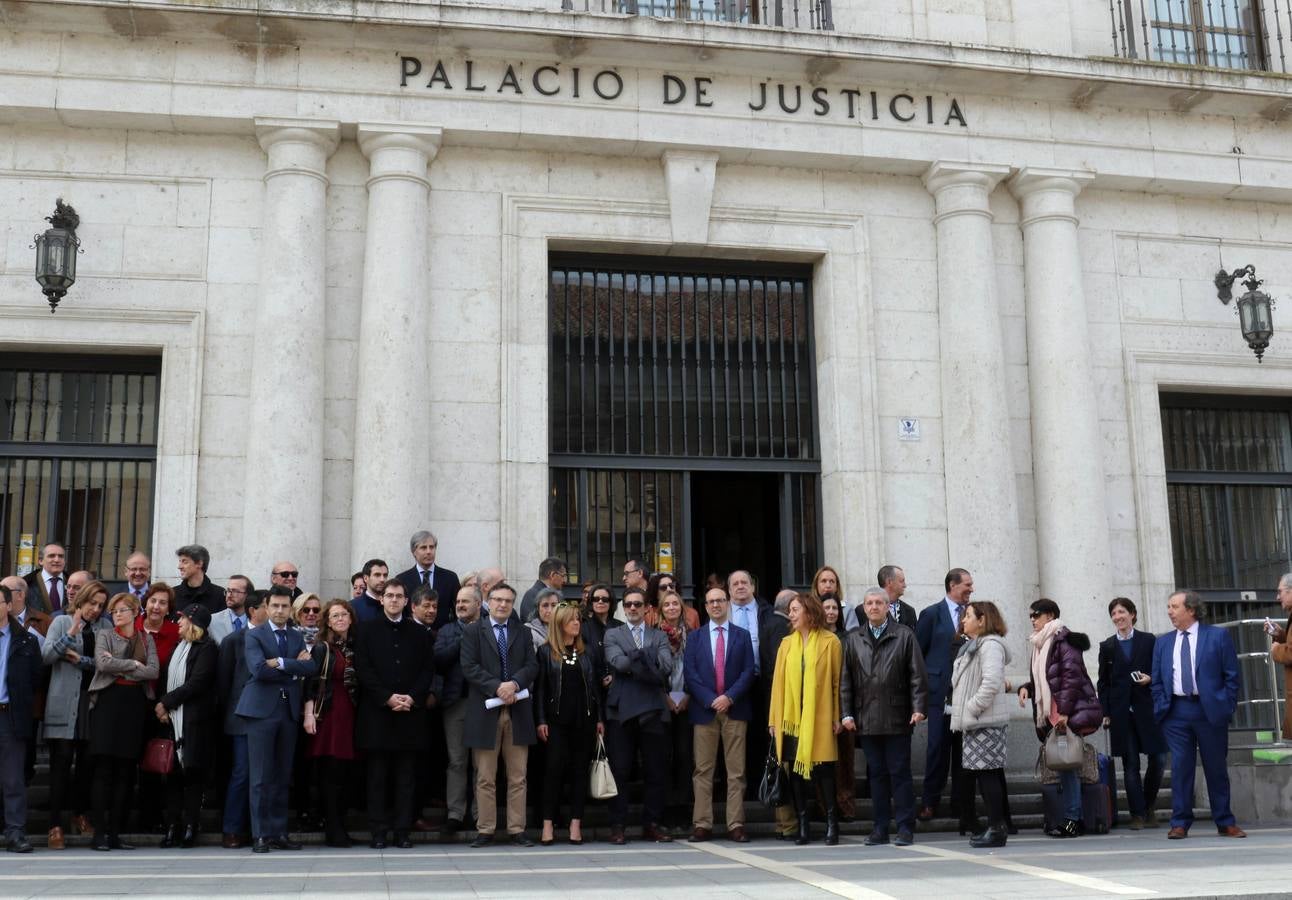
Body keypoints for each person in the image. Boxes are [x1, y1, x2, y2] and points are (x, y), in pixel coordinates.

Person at [1150, 589, 1245, 840]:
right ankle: (1180, 822)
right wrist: (1161, 705)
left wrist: (1226, 704)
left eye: (1174, 606)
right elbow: (1157, 680)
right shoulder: (1163, 642)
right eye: (1168, 607)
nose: (1169, 611)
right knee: (1181, 767)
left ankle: (1225, 821)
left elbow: (1232, 676)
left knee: (1215, 767)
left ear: (1190, 610)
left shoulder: (1217, 636)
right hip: (1176, 712)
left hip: (1209, 710)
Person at [841, 586, 927, 847]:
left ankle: (904, 827)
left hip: (897, 716)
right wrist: (846, 713)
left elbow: (917, 675)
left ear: (888, 606)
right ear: (864, 608)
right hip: (866, 717)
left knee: (900, 772)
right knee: (876, 775)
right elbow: (845, 680)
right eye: (869, 603)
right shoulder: (853, 638)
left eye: (879, 602)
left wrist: (918, 707)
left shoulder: (904, 635)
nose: (874, 607)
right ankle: (879, 827)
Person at [235, 585, 318, 853]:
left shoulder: (296, 636)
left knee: (283, 775)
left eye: (285, 606)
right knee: (260, 776)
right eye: (276, 606)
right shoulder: (255, 635)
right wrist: (293, 667)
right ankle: (260, 834)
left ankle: (279, 832)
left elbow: (310, 667)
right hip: (260, 711)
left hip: (289, 711)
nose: (280, 611)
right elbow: (259, 670)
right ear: (267, 607)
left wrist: (280, 663)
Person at [353, 580, 434, 848]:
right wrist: (387, 697)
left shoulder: (420, 633)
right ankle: (378, 831)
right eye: (389, 595)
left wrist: (412, 696)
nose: (394, 600)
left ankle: (402, 830)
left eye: (399, 596)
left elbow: (427, 670)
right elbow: (363, 669)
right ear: (382, 600)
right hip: (378, 714)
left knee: (406, 778)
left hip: (410, 715)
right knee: (377, 778)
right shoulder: (366, 630)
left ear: (406, 601)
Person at [461, 583, 539, 847]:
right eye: (497, 600)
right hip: (485, 712)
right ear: (488, 601)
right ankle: (486, 829)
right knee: (485, 775)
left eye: (508, 600)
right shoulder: (473, 631)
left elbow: (532, 665)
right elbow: (469, 667)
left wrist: (514, 684)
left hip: (518, 710)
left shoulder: (523, 632)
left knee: (518, 775)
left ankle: (517, 829)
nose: (503, 604)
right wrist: (497, 686)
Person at [1018, 598, 1102, 838]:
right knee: (1065, 767)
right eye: (1031, 616)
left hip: (1066, 712)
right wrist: (1027, 688)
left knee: (1068, 767)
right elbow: (1045, 679)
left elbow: (1071, 679)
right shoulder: (1041, 643)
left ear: (1051, 615)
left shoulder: (1063, 641)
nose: (1033, 619)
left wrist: (1064, 713)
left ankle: (1073, 819)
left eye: (1037, 614)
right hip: (1054, 712)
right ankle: (1070, 817)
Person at [768, 592, 843, 845]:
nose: (791, 614)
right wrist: (773, 720)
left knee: (824, 772)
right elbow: (777, 685)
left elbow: (836, 684)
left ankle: (832, 824)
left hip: (819, 717)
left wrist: (837, 716)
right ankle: (803, 825)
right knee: (796, 775)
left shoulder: (830, 642)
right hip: (791, 720)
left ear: (809, 612)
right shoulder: (786, 644)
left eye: (795, 609)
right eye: (790, 610)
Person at [683, 585, 756, 843]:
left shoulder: (742, 635)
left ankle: (735, 824)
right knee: (703, 770)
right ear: (705, 606)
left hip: (735, 709)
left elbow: (748, 671)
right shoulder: (695, 638)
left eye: (720, 600)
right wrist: (711, 699)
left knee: (736, 771)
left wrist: (729, 697)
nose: (715, 605)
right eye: (711, 601)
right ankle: (702, 823)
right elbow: (690, 674)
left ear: (727, 604)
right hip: (704, 711)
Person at [87, 592, 159, 851]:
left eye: (122, 610)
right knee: (104, 767)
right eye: (114, 611)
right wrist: (131, 664)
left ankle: (116, 833)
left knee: (126, 770)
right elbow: (102, 664)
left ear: (134, 612)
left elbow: (152, 670)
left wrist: (122, 665)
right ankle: (99, 834)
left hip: (134, 704)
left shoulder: (145, 638)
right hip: (108, 701)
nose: (117, 614)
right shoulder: (104, 635)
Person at [603, 586, 674, 844]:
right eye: (628, 604)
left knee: (655, 770)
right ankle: (618, 825)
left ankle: (652, 823)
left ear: (647, 608)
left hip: (654, 710)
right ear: (623, 607)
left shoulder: (659, 636)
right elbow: (616, 662)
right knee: (620, 769)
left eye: (637, 604)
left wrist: (634, 661)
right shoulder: (613, 634)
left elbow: (666, 667)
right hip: (621, 711)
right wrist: (647, 660)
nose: (633, 608)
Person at [41, 580, 107, 850]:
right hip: (63, 702)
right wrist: (71, 631)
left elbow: (106, 664)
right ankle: (54, 824)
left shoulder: (105, 627)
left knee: (87, 764)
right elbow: (46, 656)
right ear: (81, 599)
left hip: (91, 704)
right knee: (60, 764)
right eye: (93, 603)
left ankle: (80, 815)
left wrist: (82, 660)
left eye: (101, 605)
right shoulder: (60, 622)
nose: (96, 609)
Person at [534, 603, 604, 845]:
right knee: (553, 772)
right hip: (556, 722)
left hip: (584, 720)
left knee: (578, 772)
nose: (577, 623)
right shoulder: (545, 652)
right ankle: (547, 824)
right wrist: (541, 720)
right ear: (560, 623)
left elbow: (595, 689)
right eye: (572, 619)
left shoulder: (588, 652)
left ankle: (576, 823)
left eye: (578, 619)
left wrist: (599, 718)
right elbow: (541, 689)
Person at [1097, 597, 1166, 829]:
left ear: (1133, 614)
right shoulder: (1107, 646)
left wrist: (1151, 679)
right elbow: (1103, 683)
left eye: (1122, 612)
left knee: (1158, 758)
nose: (1118, 617)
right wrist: (1105, 712)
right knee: (1131, 764)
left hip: (1148, 710)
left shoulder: (1149, 641)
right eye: (1114, 613)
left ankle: (1149, 806)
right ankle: (1137, 814)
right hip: (1121, 713)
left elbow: (1161, 670)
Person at [154, 604, 219, 849]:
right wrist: (164, 706)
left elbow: (198, 682)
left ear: (194, 623)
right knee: (172, 777)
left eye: (182, 619)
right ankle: (172, 826)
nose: (177, 623)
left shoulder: (207, 649)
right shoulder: (176, 649)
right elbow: (165, 679)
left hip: (195, 722)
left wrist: (166, 703)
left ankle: (191, 826)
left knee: (192, 776)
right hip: (172, 721)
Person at [950, 601, 1012, 848]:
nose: (964, 620)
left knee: (988, 776)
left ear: (982, 620)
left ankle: (997, 828)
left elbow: (991, 683)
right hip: (977, 722)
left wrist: (971, 708)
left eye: (968, 616)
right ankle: (994, 826)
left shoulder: (991, 645)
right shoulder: (976, 646)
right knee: (985, 776)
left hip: (984, 721)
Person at [914, 567, 971, 822]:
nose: (971, 589)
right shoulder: (931, 614)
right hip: (939, 694)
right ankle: (930, 801)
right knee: (937, 748)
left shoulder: (973, 614)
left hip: (966, 693)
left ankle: (960, 802)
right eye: (967, 585)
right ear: (952, 585)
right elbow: (917, 653)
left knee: (962, 751)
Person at [303, 598, 358, 847]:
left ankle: (341, 827)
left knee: (347, 776)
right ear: (328, 621)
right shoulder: (323, 648)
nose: (340, 619)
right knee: (331, 774)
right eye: (335, 616)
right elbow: (311, 683)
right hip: (331, 715)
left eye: (344, 615)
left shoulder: (356, 647)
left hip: (352, 713)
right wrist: (308, 713)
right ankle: (333, 830)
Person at [218, 589, 269, 849]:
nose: (275, 612)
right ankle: (232, 828)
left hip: (270, 717)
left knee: (265, 775)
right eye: (268, 606)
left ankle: (259, 828)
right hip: (241, 719)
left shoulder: (276, 638)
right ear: (254, 610)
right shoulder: (233, 641)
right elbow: (224, 685)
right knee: (242, 773)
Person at [434, 584, 483, 838]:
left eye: (466, 601)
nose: (460, 605)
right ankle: (455, 813)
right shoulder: (447, 630)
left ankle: (479, 815)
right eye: (458, 602)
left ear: (479, 604)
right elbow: (439, 660)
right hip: (456, 702)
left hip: (484, 703)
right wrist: (464, 639)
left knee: (481, 762)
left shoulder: (489, 629)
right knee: (457, 760)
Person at [0, 583, 43, 853]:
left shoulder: (27, 639)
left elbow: (35, 678)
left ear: (8, 606)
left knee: (13, 777)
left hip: (9, 716)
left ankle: (15, 832)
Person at [760, 588, 798, 839]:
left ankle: (784, 823)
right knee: (783, 765)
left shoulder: (768, 624)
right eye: (795, 608)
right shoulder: (782, 629)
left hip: (778, 705)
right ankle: (787, 823)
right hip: (784, 707)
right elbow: (779, 671)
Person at [658, 589, 694, 830]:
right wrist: (665, 697)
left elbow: (699, 667)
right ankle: (666, 811)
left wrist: (689, 695)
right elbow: (653, 669)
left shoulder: (693, 635)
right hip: (663, 703)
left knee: (684, 756)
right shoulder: (655, 635)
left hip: (688, 702)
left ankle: (684, 809)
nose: (672, 608)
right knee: (664, 757)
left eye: (675, 604)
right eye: (667, 605)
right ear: (661, 609)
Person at [819, 593, 856, 822]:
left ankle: (846, 805)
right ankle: (825, 807)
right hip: (821, 706)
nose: (831, 611)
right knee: (823, 762)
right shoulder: (814, 638)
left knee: (845, 759)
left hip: (845, 705)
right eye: (827, 607)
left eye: (834, 608)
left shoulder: (848, 638)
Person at [396, 530, 461, 628]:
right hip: (412, 636)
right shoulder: (402, 579)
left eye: (432, 547)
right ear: (414, 551)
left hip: (443, 636)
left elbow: (457, 610)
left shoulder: (450, 578)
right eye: (423, 548)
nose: (428, 551)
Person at [581, 583, 618, 684]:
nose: (600, 601)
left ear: (611, 602)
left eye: (605, 599)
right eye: (596, 599)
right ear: (591, 602)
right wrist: (601, 676)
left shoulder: (621, 627)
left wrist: (613, 675)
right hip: (593, 685)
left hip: (618, 683)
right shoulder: (582, 628)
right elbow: (584, 659)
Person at [173, 544, 225, 615]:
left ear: (199, 563)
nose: (179, 567)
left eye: (185, 562)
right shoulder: (173, 594)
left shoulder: (220, 595)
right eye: (180, 561)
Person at [22, 541, 67, 614]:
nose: (57, 560)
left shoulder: (72, 582)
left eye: (61, 556)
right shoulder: (26, 584)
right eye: (51, 556)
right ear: (40, 561)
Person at [208, 575, 254, 645]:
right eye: (228, 591)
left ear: (248, 595)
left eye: (235, 591)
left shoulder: (257, 621)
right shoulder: (212, 621)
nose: (229, 595)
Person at [520, 557, 567, 622]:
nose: (565, 580)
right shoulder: (532, 595)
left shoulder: (557, 596)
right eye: (563, 576)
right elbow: (532, 624)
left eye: (553, 605)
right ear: (553, 575)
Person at [354, 559, 388, 624]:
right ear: (365, 578)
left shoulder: (393, 604)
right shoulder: (353, 607)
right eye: (377, 575)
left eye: (385, 575)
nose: (382, 579)